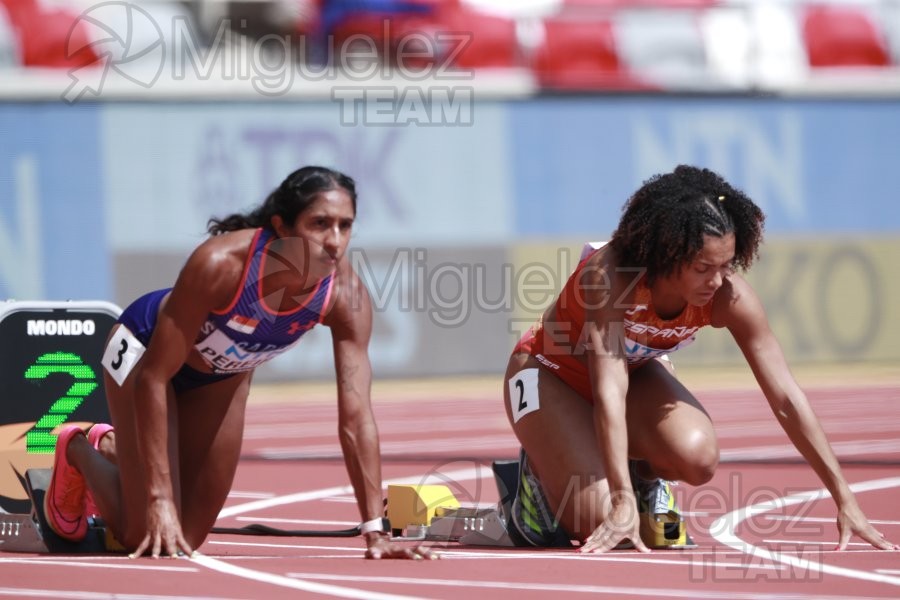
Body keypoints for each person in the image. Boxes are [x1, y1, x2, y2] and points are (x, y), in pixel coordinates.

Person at [502, 165, 898, 553]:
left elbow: (786, 399)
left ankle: (643, 476)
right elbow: (609, 389)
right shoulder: (612, 276)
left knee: (698, 457)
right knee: (596, 519)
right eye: (702, 268)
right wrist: (620, 501)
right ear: (665, 255)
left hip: (631, 378)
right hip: (546, 374)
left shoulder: (729, 297)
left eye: (726, 265)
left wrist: (844, 497)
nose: (716, 281)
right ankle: (535, 479)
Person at [44, 165, 433, 560]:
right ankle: (77, 448)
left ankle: (114, 447)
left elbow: (356, 417)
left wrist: (375, 532)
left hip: (222, 379)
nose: (334, 241)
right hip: (144, 354)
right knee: (146, 532)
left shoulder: (345, 295)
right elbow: (153, 379)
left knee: (186, 539)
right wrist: (158, 498)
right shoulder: (221, 264)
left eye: (345, 226)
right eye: (320, 224)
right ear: (281, 226)